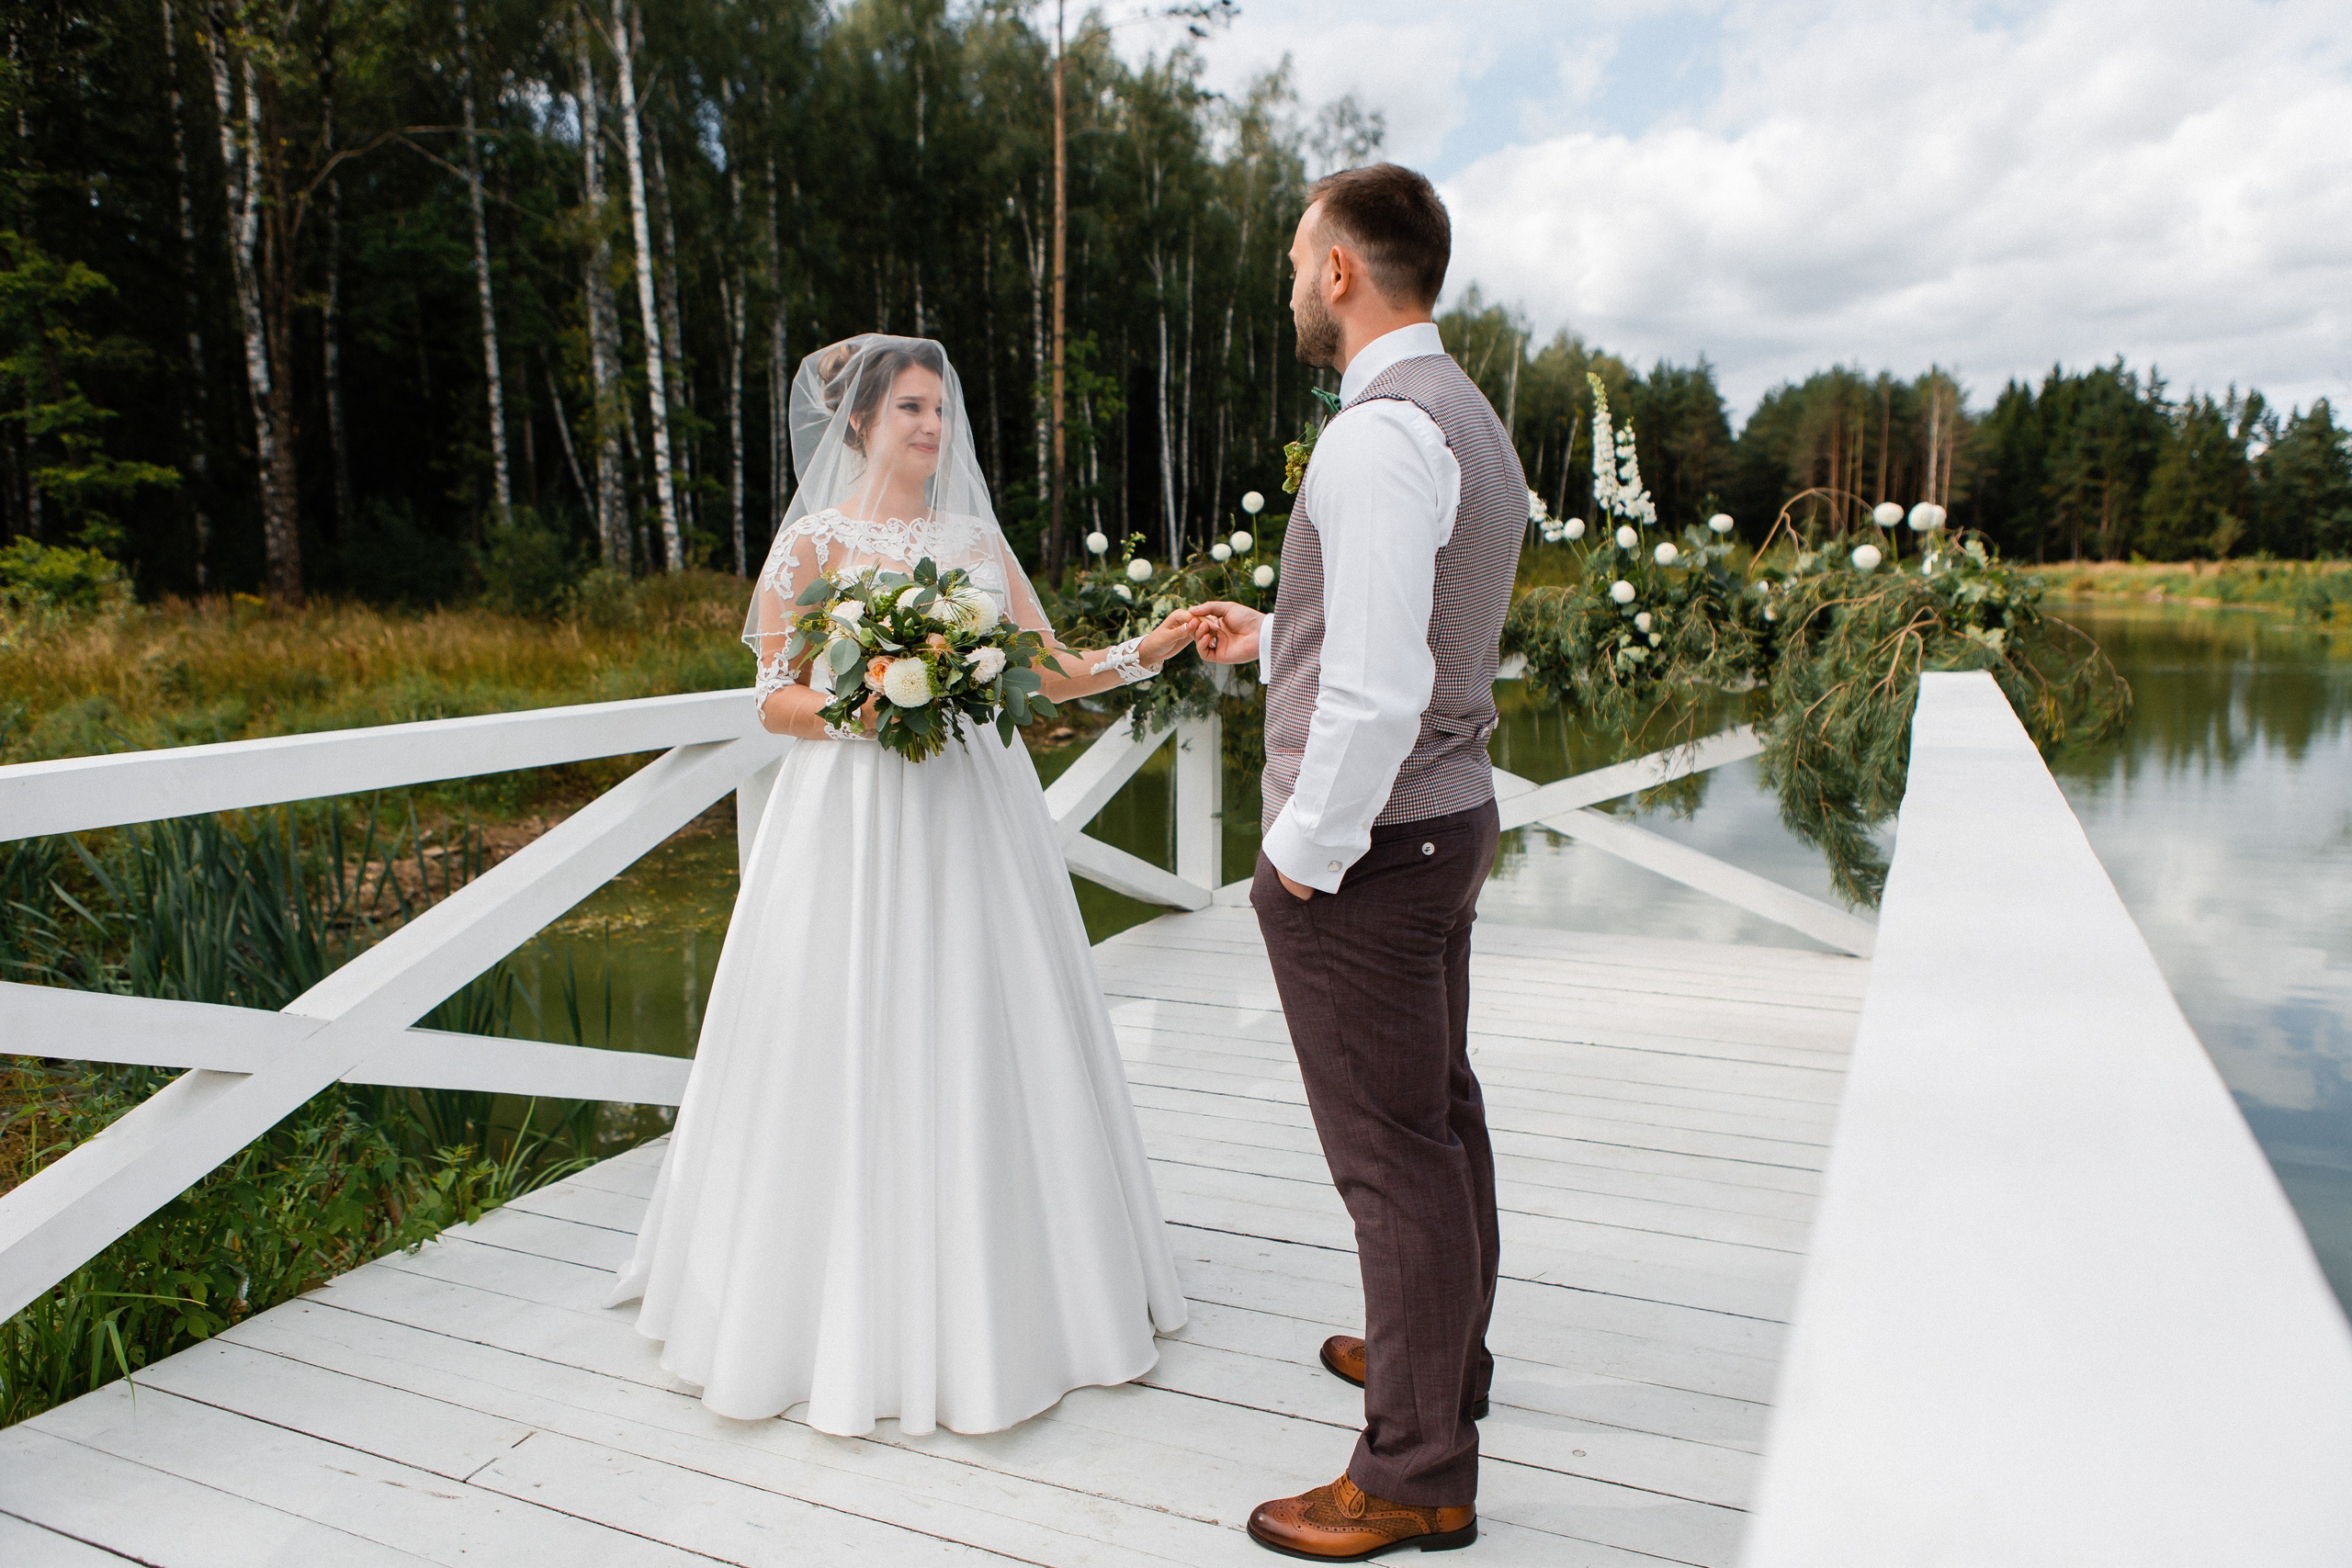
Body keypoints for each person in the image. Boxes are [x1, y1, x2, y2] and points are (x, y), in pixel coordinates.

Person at [606, 333, 1193, 1438]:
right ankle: (816, 1305)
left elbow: (1049, 668)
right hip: (856, 818)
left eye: (941, 409)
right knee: (842, 1026)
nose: (931, 427)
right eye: (911, 409)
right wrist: (866, 707)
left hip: (974, 813)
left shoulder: (973, 539)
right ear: (861, 424)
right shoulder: (814, 545)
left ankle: (1022, 1294)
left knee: (985, 1014)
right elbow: (774, 698)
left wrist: (1149, 650)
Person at [1192, 164, 1527, 1560]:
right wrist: (1272, 637)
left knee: (1391, 1155)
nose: (1287, 284)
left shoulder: (1377, 434)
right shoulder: (1467, 414)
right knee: (1437, 1116)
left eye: (1292, 259)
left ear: (1341, 270)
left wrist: (1296, 858)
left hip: (1376, 848)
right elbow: (1416, 632)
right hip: (1445, 819)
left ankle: (1411, 1470)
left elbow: (1384, 687)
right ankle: (1442, 1368)